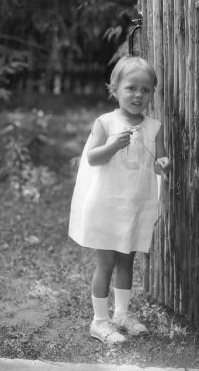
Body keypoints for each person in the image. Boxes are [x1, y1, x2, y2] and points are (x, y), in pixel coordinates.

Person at [68, 55, 170, 344]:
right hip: (107, 204)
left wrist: (163, 163)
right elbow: (92, 158)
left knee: (127, 261)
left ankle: (121, 314)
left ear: (152, 93)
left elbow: (158, 158)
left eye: (145, 89)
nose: (138, 95)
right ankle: (99, 321)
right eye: (131, 88)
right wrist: (113, 145)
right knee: (106, 263)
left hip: (135, 204)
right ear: (116, 88)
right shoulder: (106, 122)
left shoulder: (154, 126)